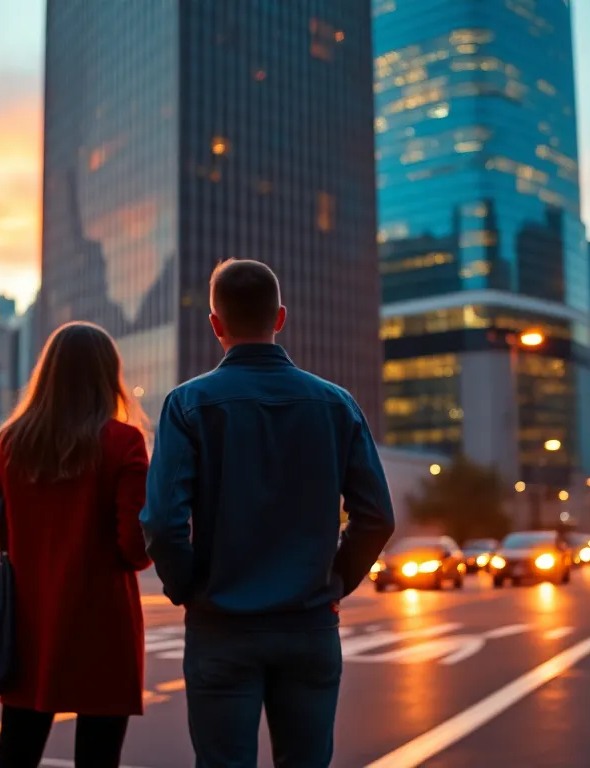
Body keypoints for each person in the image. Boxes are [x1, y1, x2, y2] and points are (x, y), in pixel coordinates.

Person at [141, 259, 395, 767]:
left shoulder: (187, 405)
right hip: (308, 625)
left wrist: (190, 590)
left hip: (221, 626)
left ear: (215, 323)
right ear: (280, 318)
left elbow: (163, 522)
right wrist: (332, 583)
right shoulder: (337, 404)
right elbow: (376, 518)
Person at [0, 321, 151, 768]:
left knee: (15, 754)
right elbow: (135, 548)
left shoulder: (8, 445)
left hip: (27, 623)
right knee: (98, 759)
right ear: (107, 375)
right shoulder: (124, 442)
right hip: (103, 626)